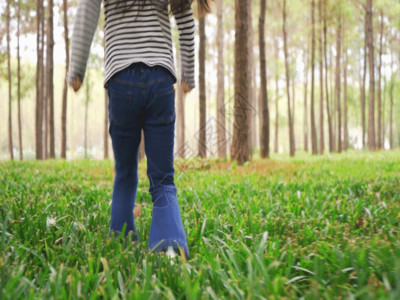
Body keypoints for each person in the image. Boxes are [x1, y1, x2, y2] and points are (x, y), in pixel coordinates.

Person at [68, 0, 211, 260]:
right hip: (160, 78)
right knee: (164, 178)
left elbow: (87, 12)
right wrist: (189, 72)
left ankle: (121, 244)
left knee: (125, 172)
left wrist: (76, 69)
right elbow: (184, 16)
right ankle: (169, 249)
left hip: (120, 79)